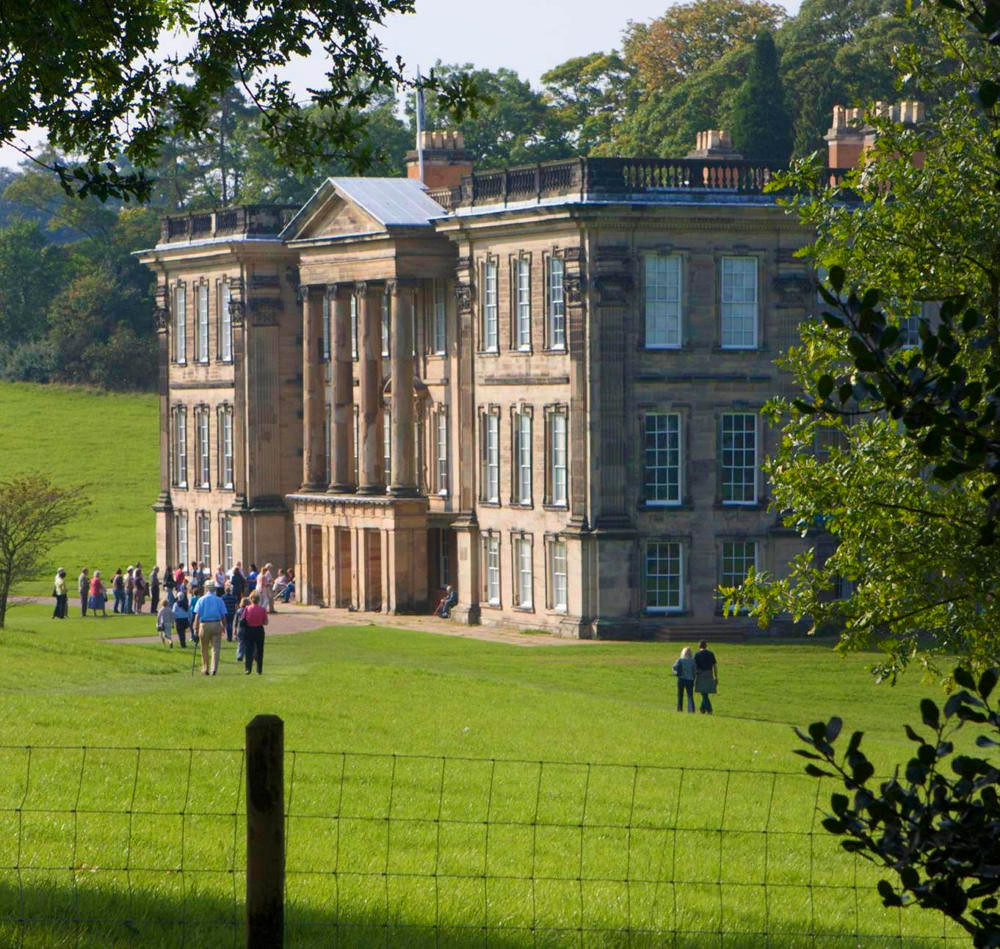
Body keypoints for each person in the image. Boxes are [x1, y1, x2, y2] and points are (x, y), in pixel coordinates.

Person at [193, 585, 227, 675]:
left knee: (204, 648)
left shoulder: (201, 600)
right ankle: (214, 668)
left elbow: (197, 615)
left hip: (204, 625)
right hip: (216, 624)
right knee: (216, 648)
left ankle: (205, 668)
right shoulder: (219, 600)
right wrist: (224, 626)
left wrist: (196, 629)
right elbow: (223, 616)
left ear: (206, 589)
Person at [241, 591, 269, 675]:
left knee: (248, 650)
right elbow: (266, 622)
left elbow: (243, 619)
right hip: (259, 630)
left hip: (249, 630)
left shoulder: (247, 609)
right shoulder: (262, 609)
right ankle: (259, 669)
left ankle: (248, 668)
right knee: (260, 650)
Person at [694, 640, 718, 714]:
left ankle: (709, 709)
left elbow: (694, 667)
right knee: (705, 692)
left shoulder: (697, 654)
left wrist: (694, 676)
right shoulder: (711, 654)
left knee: (703, 693)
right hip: (709, 673)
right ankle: (702, 709)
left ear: (699, 646)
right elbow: (714, 666)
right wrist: (716, 676)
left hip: (700, 674)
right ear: (706, 646)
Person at [672, 646, 697, 713]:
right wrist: (694, 678)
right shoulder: (693, 661)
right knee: (690, 696)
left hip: (681, 679)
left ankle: (680, 709)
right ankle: (691, 710)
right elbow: (694, 671)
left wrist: (675, 673)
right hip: (690, 680)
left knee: (680, 695)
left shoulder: (680, 660)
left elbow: (674, 667)